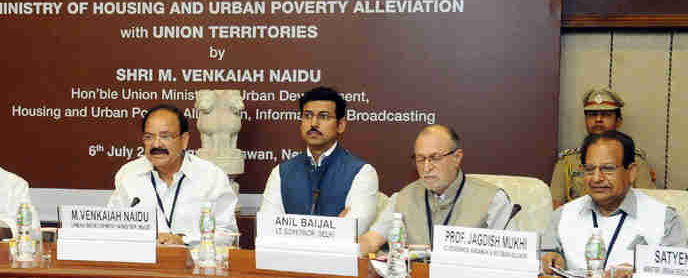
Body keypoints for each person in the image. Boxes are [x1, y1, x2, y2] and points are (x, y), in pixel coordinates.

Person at [541, 131, 686, 275]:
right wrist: (552, 262)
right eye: (590, 169)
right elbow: (546, 257)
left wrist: (639, 274)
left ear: (631, 172)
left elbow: (677, 273)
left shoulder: (665, 220)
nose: (597, 178)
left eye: (608, 169)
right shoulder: (562, 215)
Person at [358, 124, 516, 255]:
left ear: (457, 157)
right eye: (420, 159)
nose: (426, 168)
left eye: (435, 158)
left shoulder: (492, 200)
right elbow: (371, 240)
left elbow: (512, 257)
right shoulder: (403, 198)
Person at [107, 104, 238, 245]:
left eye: (165, 136)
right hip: (144, 263)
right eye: (149, 137)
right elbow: (112, 227)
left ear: (184, 140)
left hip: (196, 263)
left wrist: (184, 242)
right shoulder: (129, 175)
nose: (156, 144)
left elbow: (227, 233)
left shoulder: (211, 177)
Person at [259, 86, 378, 236]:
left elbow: (351, 234)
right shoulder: (281, 173)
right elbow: (268, 231)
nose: (314, 123)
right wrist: (335, 227)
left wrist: (291, 231)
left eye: (323, 116)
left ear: (341, 125)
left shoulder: (362, 173)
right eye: (308, 116)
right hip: (290, 259)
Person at [551, 88, 655, 208]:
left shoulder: (635, 161)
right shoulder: (566, 162)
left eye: (606, 115)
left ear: (618, 122)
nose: (598, 120)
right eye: (592, 115)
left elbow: (647, 205)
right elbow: (556, 206)